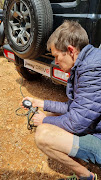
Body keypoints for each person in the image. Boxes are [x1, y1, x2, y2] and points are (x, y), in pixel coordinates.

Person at [22, 20, 101, 180]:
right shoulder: (87, 62)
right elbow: (73, 107)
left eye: (57, 56)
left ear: (71, 51)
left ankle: (85, 176)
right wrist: (40, 103)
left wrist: (44, 121)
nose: (56, 62)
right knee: (51, 116)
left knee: (43, 135)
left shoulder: (91, 71)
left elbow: (76, 122)